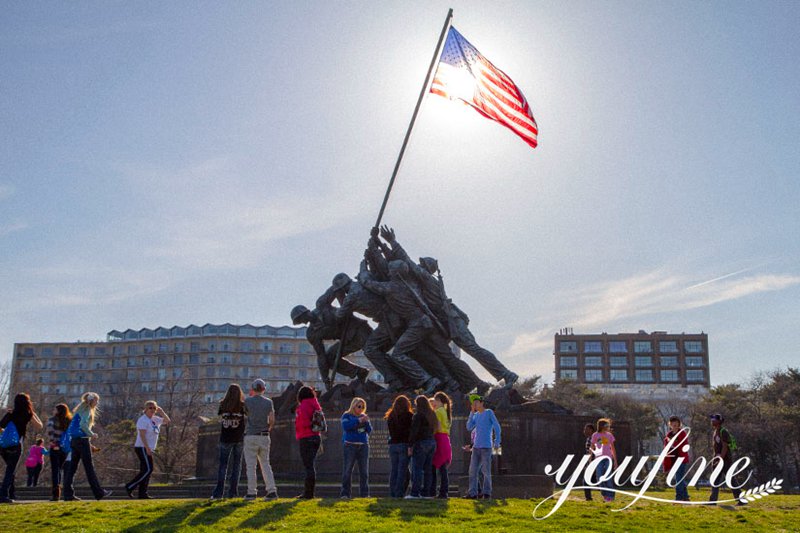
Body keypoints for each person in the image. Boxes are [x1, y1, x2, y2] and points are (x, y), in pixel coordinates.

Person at [62, 392, 113, 501]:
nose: (97, 403)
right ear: (91, 401)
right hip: (82, 440)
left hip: (75, 441)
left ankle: (68, 494)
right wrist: (91, 434)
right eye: (96, 400)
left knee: (72, 468)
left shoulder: (79, 409)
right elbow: (83, 425)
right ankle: (98, 493)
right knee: (89, 467)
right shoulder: (87, 410)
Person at [1, 393, 43, 503]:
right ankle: (3, 494)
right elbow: (39, 426)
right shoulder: (28, 414)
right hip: (16, 446)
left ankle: (11, 493)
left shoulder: (10, 413)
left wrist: (7, 434)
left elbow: (0, 426)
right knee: (10, 470)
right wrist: (33, 413)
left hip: (4, 446)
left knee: (11, 469)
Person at [125, 400, 170, 499]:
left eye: (154, 408)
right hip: (142, 447)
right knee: (148, 469)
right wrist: (147, 448)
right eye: (150, 408)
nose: (152, 410)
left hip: (149, 448)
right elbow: (142, 435)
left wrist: (161, 411)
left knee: (146, 470)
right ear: (145, 409)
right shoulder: (143, 420)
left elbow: (167, 421)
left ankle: (142, 493)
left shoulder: (155, 419)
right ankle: (130, 486)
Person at [243, 379, 278, 501]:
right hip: (264, 435)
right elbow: (272, 420)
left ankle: (251, 492)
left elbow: (245, 415)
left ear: (253, 389)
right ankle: (271, 491)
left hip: (251, 435)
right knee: (265, 464)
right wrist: (268, 429)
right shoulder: (269, 402)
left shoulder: (247, 401)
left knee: (251, 466)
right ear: (264, 389)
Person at [210, 384, 246, 500]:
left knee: (223, 466)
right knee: (236, 466)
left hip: (225, 438)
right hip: (239, 438)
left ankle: (218, 492)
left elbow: (220, 415)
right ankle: (233, 492)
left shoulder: (223, 404)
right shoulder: (242, 405)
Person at [464, 394, 501, 500]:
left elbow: (497, 426)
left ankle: (487, 493)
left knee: (486, 471)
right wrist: (471, 413)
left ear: (481, 402)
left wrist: (497, 441)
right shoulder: (475, 415)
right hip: (476, 448)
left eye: (476, 402)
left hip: (486, 447)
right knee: (472, 471)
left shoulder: (489, 412)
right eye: (473, 403)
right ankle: (472, 493)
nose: (474, 405)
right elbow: (469, 427)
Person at [709, 413, 745, 505]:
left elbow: (725, 446)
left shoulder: (723, 431)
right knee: (715, 480)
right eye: (712, 419)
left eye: (714, 419)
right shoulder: (715, 431)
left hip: (725, 460)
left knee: (730, 480)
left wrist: (721, 458)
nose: (712, 420)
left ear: (719, 421)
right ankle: (712, 501)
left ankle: (741, 500)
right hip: (718, 459)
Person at [406, 395, 437, 499]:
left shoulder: (418, 415)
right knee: (428, 470)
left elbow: (414, 431)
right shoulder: (432, 414)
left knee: (417, 469)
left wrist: (410, 445)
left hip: (421, 443)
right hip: (432, 442)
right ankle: (426, 493)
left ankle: (415, 493)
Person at [294, 385, 322, 499]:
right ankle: (309, 492)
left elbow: (302, 423)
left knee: (308, 466)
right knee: (311, 465)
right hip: (316, 437)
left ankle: (308, 493)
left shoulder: (303, 406)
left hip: (306, 437)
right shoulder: (315, 404)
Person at [340, 397, 371, 498]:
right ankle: (345, 493)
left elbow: (369, 430)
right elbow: (346, 427)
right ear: (353, 406)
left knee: (364, 472)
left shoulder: (364, 416)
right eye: (359, 406)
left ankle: (364, 494)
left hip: (363, 446)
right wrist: (358, 421)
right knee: (347, 470)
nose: (361, 409)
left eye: (363, 407)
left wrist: (366, 422)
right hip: (350, 445)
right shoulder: (347, 415)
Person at [385, 395, 413, 498]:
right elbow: (410, 433)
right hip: (404, 445)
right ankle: (399, 493)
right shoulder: (409, 416)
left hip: (393, 445)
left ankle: (392, 492)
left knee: (394, 470)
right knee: (402, 470)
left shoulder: (391, 416)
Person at [46, 403, 72, 501]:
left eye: (55, 409)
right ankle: (62, 492)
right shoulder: (69, 421)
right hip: (65, 448)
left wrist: (53, 443)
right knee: (60, 469)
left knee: (55, 471)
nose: (53, 410)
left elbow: (50, 433)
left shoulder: (52, 420)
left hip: (55, 447)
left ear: (58, 410)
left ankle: (56, 494)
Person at [430, 392, 453, 498]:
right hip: (445, 439)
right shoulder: (445, 411)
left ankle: (434, 491)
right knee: (443, 468)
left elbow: (437, 426)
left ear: (438, 400)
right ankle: (444, 491)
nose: (433, 402)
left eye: (434, 400)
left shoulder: (438, 411)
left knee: (434, 467)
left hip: (439, 439)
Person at [663, 416, 690, 502]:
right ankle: (685, 497)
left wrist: (674, 442)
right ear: (670, 425)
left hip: (681, 459)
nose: (674, 425)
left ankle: (678, 497)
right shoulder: (669, 435)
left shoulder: (682, 433)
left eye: (676, 424)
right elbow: (666, 448)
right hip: (673, 459)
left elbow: (684, 446)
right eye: (672, 424)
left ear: (679, 424)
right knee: (680, 478)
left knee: (678, 478)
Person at [591, 418, 617, 503]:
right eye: (606, 425)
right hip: (598, 460)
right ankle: (605, 495)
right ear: (602, 426)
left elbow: (613, 448)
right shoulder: (595, 435)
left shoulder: (609, 435)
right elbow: (592, 448)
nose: (608, 427)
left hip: (608, 459)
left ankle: (610, 496)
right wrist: (590, 460)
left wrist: (615, 461)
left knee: (608, 478)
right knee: (599, 478)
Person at [582, 423, 595, 501]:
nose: (584, 431)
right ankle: (588, 497)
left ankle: (588, 497)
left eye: (586, 429)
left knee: (587, 480)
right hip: (590, 461)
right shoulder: (588, 438)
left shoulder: (595, 438)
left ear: (591, 430)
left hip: (594, 461)